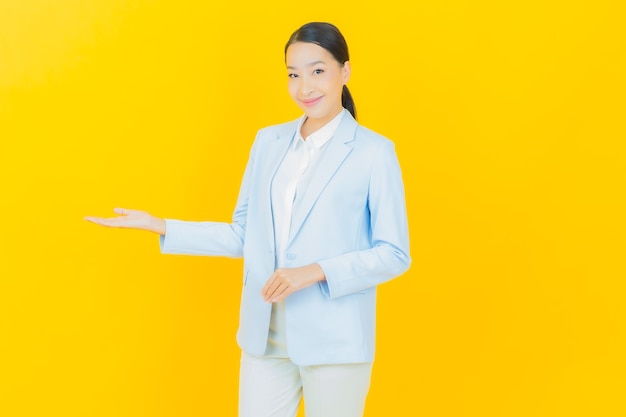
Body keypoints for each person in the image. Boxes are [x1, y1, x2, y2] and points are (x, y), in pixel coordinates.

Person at [85, 21, 410, 417]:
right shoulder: (268, 142)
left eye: (318, 71)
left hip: (335, 341)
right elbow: (244, 234)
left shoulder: (374, 152)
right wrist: (163, 226)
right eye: (293, 75)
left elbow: (394, 253)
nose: (304, 87)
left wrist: (314, 271)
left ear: (345, 71)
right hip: (264, 337)